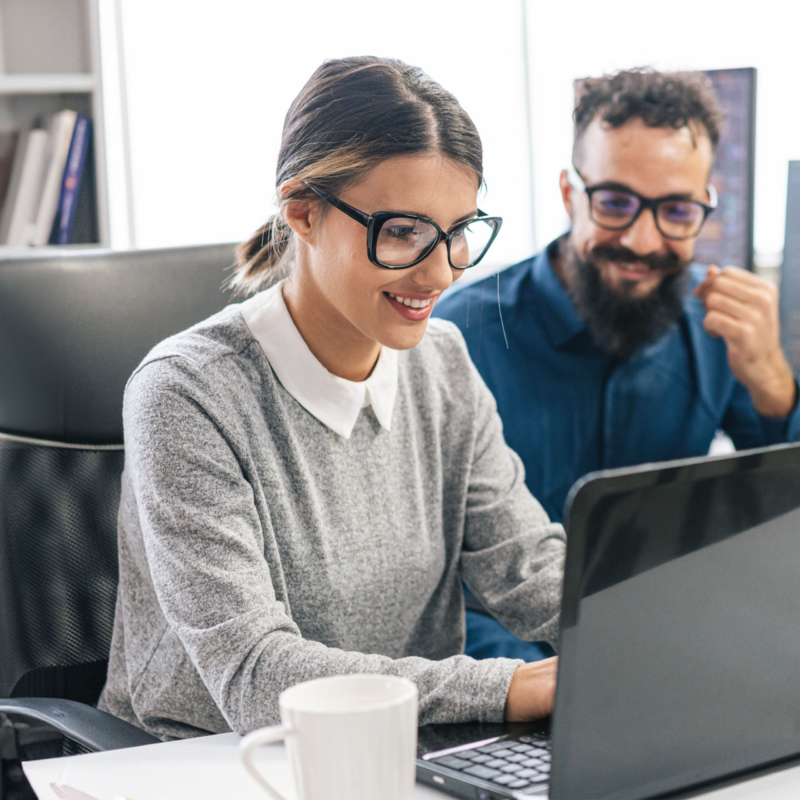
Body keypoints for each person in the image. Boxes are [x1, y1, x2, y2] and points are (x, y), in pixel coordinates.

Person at [98, 56, 565, 741]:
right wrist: (503, 687)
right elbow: (255, 673)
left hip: (403, 753)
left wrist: (655, 635)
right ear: (304, 213)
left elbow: (526, 566)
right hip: (217, 763)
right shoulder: (185, 393)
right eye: (404, 232)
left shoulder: (443, 363)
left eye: (458, 231)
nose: (440, 272)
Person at [435, 68, 800, 662]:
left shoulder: (718, 326)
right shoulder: (463, 334)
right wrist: (553, 684)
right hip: (503, 674)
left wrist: (773, 383)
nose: (642, 239)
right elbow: (431, 583)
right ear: (568, 194)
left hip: (670, 653)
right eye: (614, 203)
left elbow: (784, 522)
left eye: (677, 211)